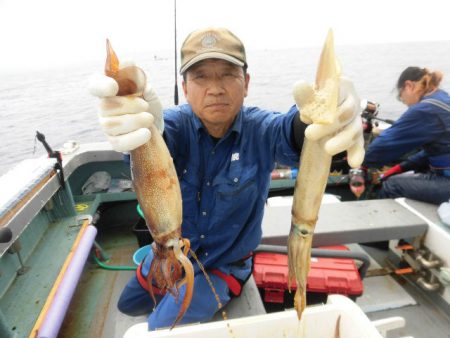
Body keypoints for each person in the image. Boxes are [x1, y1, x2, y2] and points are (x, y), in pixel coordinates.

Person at [89, 27, 364, 330]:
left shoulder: (261, 129)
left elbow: (294, 131)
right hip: (171, 253)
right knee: (127, 304)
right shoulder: (174, 127)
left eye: (228, 74)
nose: (215, 88)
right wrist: (135, 129)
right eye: (201, 77)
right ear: (185, 85)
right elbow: (149, 152)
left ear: (246, 83)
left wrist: (324, 118)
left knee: (159, 329)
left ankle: (217, 287)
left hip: (225, 265)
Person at [363, 67, 450, 205]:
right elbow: (435, 151)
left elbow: (382, 147)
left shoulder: (425, 109)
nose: (404, 102)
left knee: (392, 185)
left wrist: (360, 165)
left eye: (401, 97)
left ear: (408, 86)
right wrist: (400, 168)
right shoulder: (442, 99)